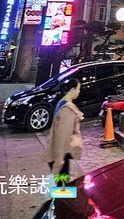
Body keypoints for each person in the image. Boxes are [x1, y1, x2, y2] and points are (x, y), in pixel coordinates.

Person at [33, 77, 85, 219]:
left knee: (61, 191)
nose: (79, 92)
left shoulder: (61, 104)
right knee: (60, 193)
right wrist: (59, 161)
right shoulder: (67, 110)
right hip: (60, 157)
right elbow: (62, 137)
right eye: (78, 89)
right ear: (72, 89)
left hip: (59, 156)